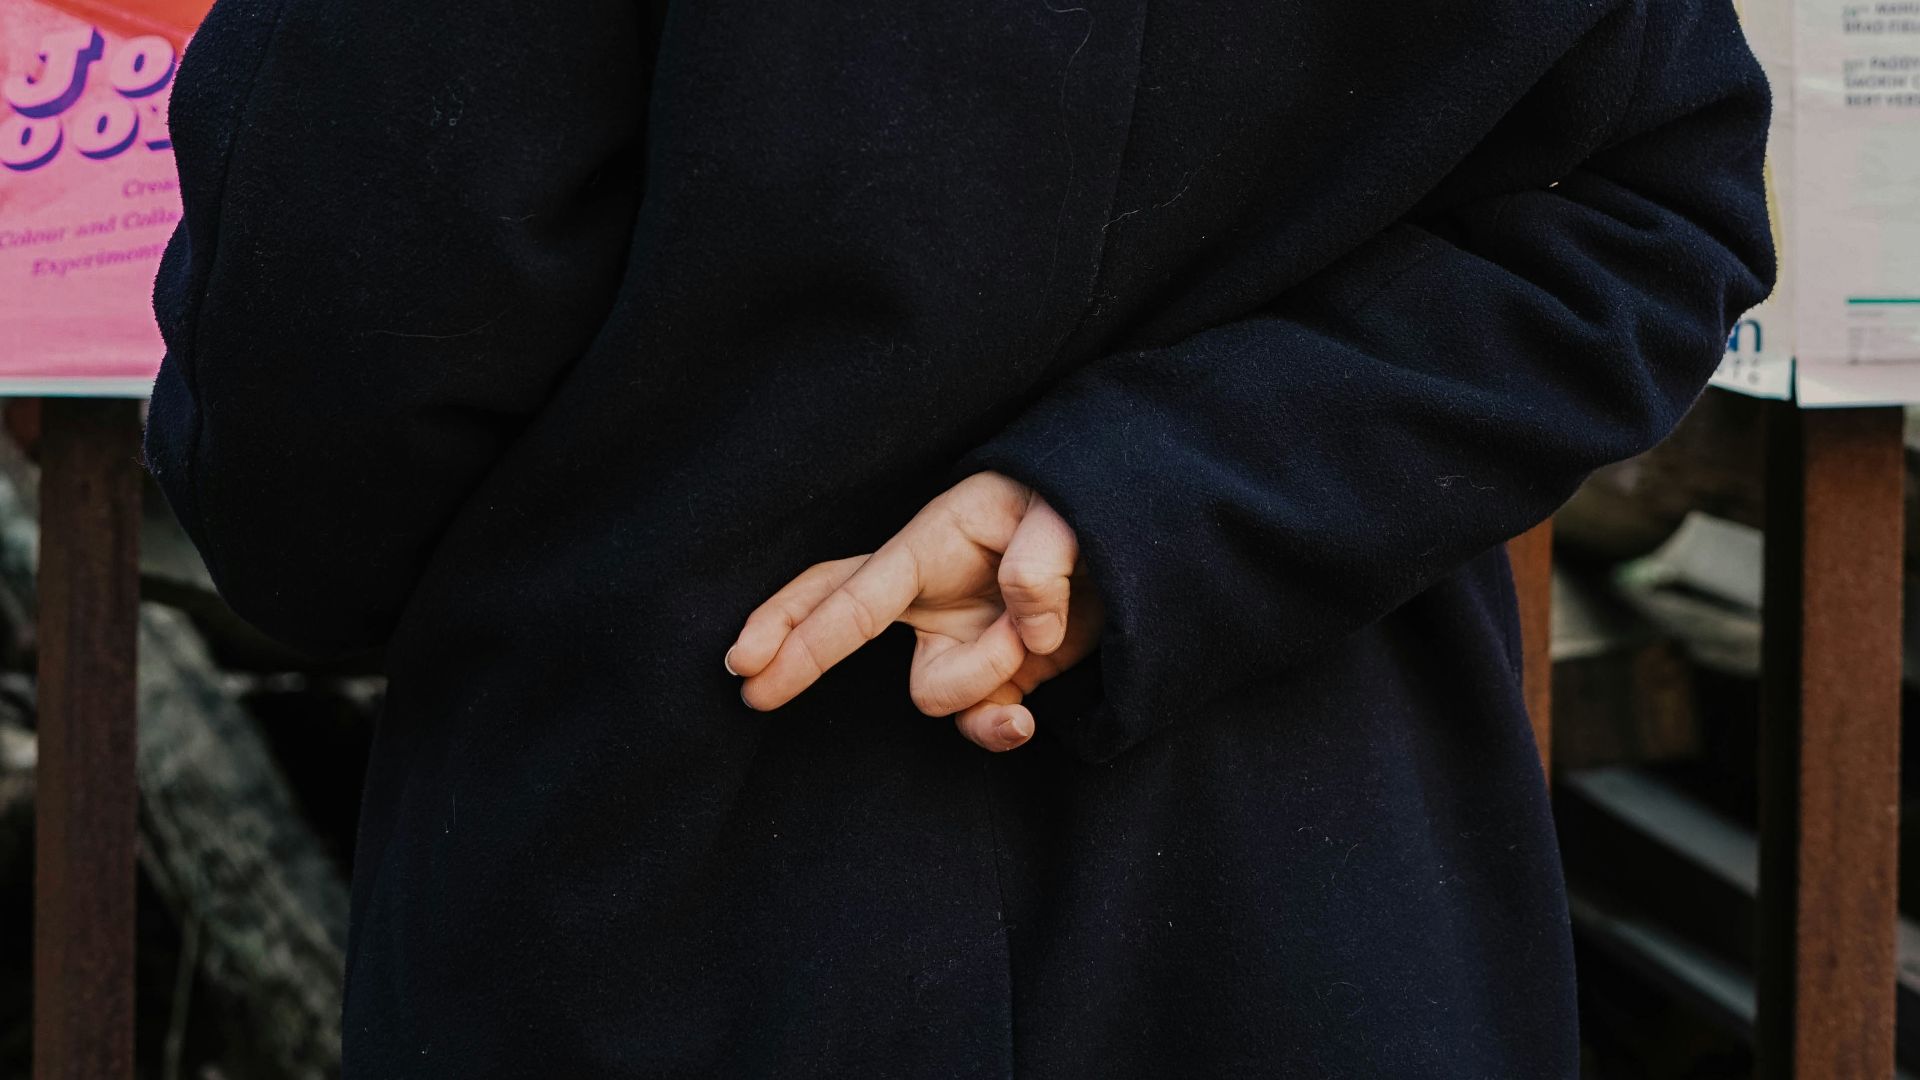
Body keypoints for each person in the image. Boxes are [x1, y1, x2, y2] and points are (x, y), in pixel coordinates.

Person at [138, 0, 1776, 1074]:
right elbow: (1643, 214)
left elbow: (328, 380)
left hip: (668, 873)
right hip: (1314, 895)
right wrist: (1167, 493)